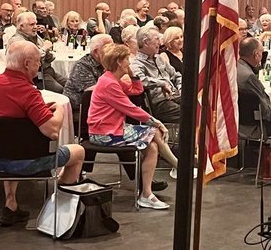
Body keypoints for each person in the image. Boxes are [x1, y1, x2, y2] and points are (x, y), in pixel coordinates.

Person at [0, 40, 85, 226]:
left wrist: (39, 111)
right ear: (27, 63)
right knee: (78, 152)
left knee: (10, 145)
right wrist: (59, 111)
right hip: (28, 162)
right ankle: (59, 206)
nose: (39, 65)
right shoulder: (29, 92)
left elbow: (6, 116)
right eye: (37, 61)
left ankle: (11, 204)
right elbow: (52, 131)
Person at [87, 44, 182, 210]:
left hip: (113, 129)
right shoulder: (109, 84)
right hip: (104, 133)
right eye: (126, 60)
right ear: (119, 62)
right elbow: (130, 108)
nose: (129, 63)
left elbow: (136, 90)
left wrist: (132, 75)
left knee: (152, 147)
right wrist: (156, 122)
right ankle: (176, 166)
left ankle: (147, 193)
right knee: (154, 131)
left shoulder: (112, 79)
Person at [130, 27, 181, 122]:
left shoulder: (159, 58)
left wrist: (181, 87)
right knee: (190, 113)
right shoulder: (136, 63)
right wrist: (161, 83)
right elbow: (140, 81)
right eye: (157, 39)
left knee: (197, 105)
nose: (160, 43)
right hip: (160, 102)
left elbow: (176, 75)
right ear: (146, 42)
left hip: (175, 95)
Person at [8, 11, 67, 93]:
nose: (35, 27)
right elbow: (30, 59)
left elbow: (49, 58)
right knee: (59, 90)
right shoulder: (17, 41)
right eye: (32, 24)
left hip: (47, 70)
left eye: (36, 24)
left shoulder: (35, 36)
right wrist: (45, 48)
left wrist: (47, 51)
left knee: (71, 85)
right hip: (34, 75)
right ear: (21, 26)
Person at [63, 34, 113, 111]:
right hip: (80, 109)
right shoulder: (83, 65)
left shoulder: (106, 62)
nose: (112, 51)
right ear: (96, 52)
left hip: (100, 105)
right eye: (108, 48)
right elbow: (92, 92)